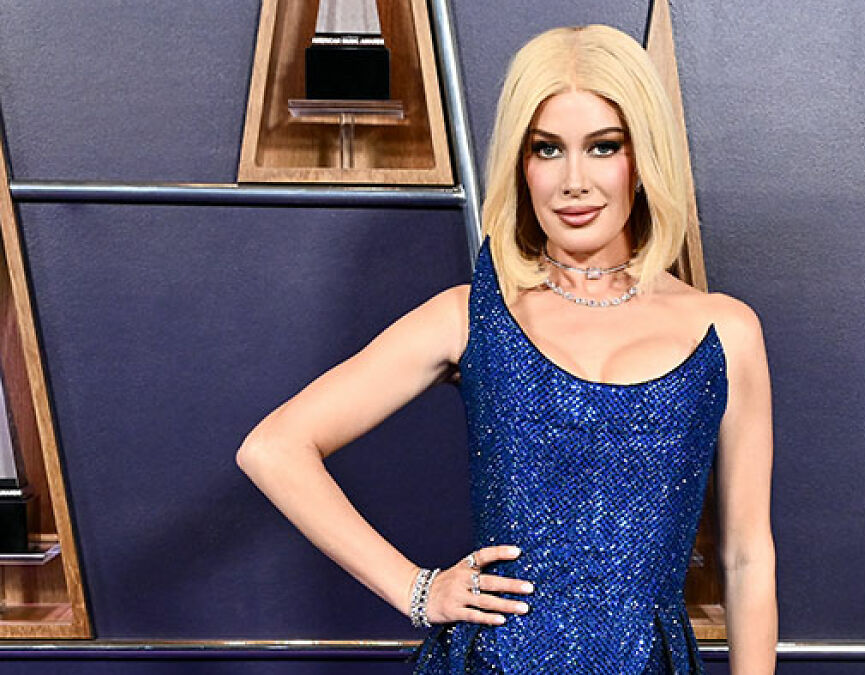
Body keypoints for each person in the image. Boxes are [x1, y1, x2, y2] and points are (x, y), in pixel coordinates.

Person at [236, 24, 776, 674]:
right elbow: (273, 448)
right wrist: (416, 589)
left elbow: (747, 558)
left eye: (603, 147)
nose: (573, 181)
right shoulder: (471, 317)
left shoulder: (724, 332)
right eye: (547, 149)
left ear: (644, 158)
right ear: (522, 166)